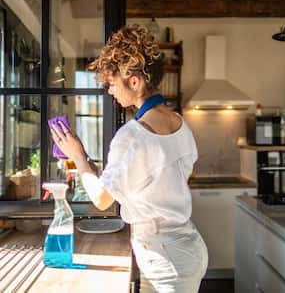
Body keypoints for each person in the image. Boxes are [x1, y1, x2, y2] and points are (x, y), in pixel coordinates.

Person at [50, 24, 208, 293]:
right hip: (186, 247)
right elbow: (151, 177)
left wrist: (76, 155)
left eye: (112, 83)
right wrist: (87, 159)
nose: (109, 91)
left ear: (135, 81)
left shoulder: (133, 134)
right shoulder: (179, 123)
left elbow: (101, 199)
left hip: (164, 259)